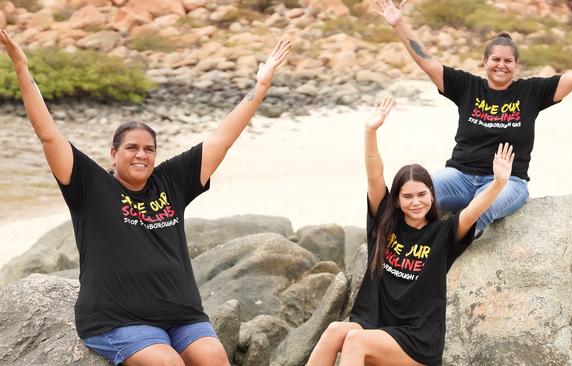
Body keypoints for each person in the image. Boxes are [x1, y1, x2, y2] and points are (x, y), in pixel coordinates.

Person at [0, 28, 290, 366]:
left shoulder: (170, 180)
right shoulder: (90, 186)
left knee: (214, 357)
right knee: (168, 363)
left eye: (149, 149)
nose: (142, 155)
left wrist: (261, 87)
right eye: (132, 148)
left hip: (182, 316)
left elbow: (221, 139)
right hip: (118, 320)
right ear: (113, 153)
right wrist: (21, 67)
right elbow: (48, 134)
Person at [374, 0, 572, 236]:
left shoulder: (531, 92)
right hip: (459, 175)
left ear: (515, 65)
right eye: (495, 59)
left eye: (508, 61)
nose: (501, 65)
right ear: (485, 62)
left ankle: (446, 255)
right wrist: (399, 25)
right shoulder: (467, 86)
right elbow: (427, 61)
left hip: (508, 182)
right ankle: (399, 250)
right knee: (419, 195)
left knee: (482, 209)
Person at [306, 96, 515, 366]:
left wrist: (498, 183)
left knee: (355, 341)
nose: (415, 202)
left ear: (432, 195)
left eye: (422, 194)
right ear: (397, 200)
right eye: (407, 196)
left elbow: (473, 211)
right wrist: (370, 132)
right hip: (375, 326)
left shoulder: (444, 233)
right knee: (337, 331)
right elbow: (374, 176)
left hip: (417, 341)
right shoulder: (383, 224)